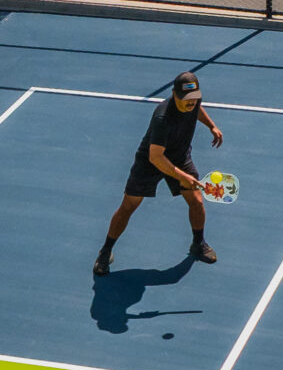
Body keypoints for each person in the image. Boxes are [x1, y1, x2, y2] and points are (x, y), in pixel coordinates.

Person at [96, 71, 224, 278]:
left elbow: (197, 109)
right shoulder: (162, 117)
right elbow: (156, 157)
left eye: (194, 99)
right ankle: (105, 251)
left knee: (196, 201)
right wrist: (183, 176)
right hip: (150, 162)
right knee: (128, 206)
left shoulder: (192, 100)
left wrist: (212, 126)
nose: (190, 104)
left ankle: (198, 243)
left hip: (180, 156)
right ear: (174, 94)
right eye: (186, 101)